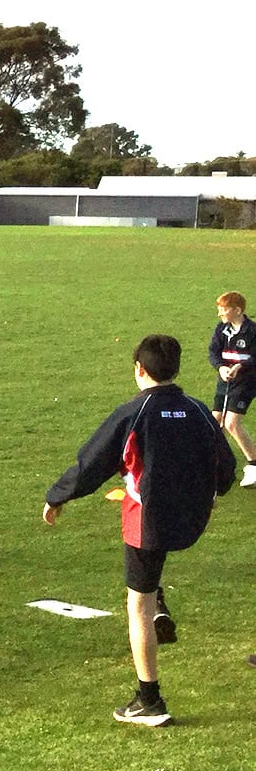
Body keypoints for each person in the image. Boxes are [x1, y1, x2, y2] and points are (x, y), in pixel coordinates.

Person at [43, 334, 235, 727]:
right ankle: (158, 598)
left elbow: (91, 464)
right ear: (176, 369)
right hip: (192, 519)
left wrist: (57, 497)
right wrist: (214, 491)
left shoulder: (133, 412)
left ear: (139, 369)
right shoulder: (198, 409)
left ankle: (150, 700)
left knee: (138, 604)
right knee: (151, 571)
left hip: (150, 523)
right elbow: (225, 465)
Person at [208, 291, 256, 488]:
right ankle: (214, 463)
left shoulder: (252, 331)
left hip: (246, 381)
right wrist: (221, 367)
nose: (220, 313)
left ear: (237, 310)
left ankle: (254, 464)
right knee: (215, 421)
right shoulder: (222, 329)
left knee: (232, 423)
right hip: (226, 380)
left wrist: (240, 366)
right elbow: (213, 352)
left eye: (224, 309)